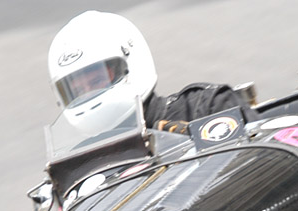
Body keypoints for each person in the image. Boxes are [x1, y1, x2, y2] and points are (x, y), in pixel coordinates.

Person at [47, 11, 256, 136]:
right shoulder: (82, 168)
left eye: (96, 80)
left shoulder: (206, 107)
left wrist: (193, 139)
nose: (87, 93)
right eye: (77, 90)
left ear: (131, 61)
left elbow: (263, 160)